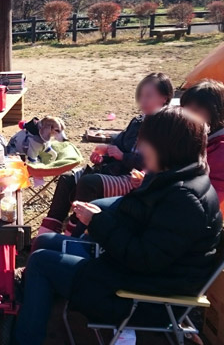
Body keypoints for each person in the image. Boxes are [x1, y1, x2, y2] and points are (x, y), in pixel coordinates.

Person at [12, 107, 223, 345]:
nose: (141, 150)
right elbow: (142, 218)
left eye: (146, 143)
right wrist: (103, 210)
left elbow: (144, 258)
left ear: (166, 147)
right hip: (133, 271)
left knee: (40, 262)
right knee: (47, 242)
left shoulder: (186, 200)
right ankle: (38, 309)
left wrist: (98, 222)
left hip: (144, 296)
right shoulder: (172, 176)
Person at [38, 72, 174, 236]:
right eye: (142, 95)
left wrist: (123, 157)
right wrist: (105, 154)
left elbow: (157, 163)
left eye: (149, 96)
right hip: (117, 169)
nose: (143, 101)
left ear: (165, 98)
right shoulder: (139, 120)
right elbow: (119, 144)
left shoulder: (166, 125)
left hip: (136, 180)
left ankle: (73, 235)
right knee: (67, 179)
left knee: (89, 183)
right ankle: (46, 233)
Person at [180, 79, 224, 202]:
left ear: (217, 113)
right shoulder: (203, 133)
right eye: (185, 111)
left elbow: (211, 199)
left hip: (188, 211)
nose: (187, 117)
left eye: (195, 111)